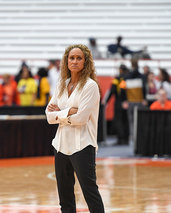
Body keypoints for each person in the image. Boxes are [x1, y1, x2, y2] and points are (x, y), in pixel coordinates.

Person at [46, 44, 105, 213]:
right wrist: (69, 113)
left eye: (79, 58)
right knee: (65, 198)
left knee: (90, 193)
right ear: (66, 61)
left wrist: (60, 114)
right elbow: (49, 116)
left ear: (86, 62)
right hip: (61, 145)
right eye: (71, 58)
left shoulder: (90, 86)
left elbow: (80, 119)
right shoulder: (61, 84)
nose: (75, 61)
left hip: (83, 145)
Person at [120, 59, 147, 139]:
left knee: (131, 120)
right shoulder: (142, 76)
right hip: (139, 100)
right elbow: (145, 88)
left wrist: (123, 100)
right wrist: (144, 98)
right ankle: (139, 135)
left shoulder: (126, 76)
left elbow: (122, 89)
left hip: (130, 100)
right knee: (140, 119)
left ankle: (132, 135)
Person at [102, 64, 129, 145]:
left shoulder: (117, 79)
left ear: (120, 70)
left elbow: (112, 90)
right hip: (127, 102)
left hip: (119, 102)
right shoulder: (128, 78)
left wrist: (105, 101)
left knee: (118, 121)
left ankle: (121, 139)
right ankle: (126, 138)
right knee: (125, 121)